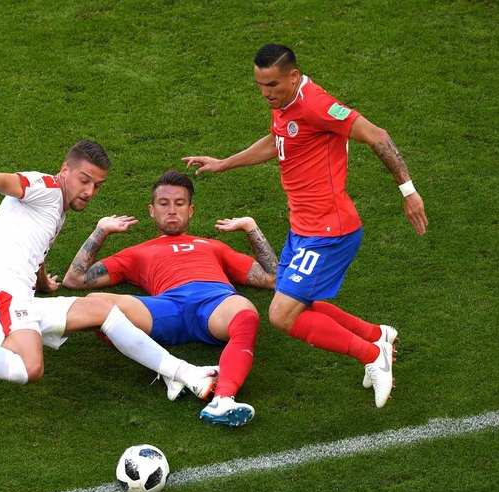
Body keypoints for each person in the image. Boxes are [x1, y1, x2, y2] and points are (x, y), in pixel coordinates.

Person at [0, 141, 215, 398]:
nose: (90, 191)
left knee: (103, 309)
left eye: (97, 185)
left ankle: (178, 372)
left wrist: (43, 281)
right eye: (84, 180)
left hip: (19, 296)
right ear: (65, 171)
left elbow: (34, 248)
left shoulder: (56, 210)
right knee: (30, 367)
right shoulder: (46, 187)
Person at [183, 44, 429, 408]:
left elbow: (377, 135)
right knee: (299, 306)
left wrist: (409, 192)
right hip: (302, 228)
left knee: (282, 314)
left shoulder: (317, 105)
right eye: (260, 85)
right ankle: (379, 337)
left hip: (330, 231)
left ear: (294, 77)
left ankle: (370, 355)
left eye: (272, 85)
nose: (265, 93)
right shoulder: (285, 106)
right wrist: (225, 163)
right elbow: (278, 140)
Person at [62, 170, 277, 427]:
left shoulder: (212, 246)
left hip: (214, 302)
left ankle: (223, 399)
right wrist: (101, 231)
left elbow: (272, 278)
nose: (172, 210)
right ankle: (172, 371)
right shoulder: (137, 252)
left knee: (245, 313)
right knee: (96, 303)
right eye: (164, 204)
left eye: (179, 203)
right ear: (152, 210)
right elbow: (75, 279)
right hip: (167, 308)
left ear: (191, 210)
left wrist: (251, 227)